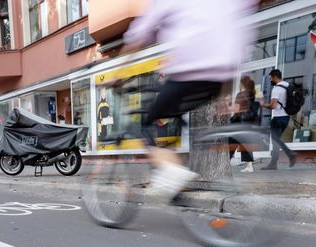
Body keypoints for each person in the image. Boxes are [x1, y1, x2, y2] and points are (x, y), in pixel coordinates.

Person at [123, 0, 254, 199]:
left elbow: (140, 33)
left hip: (187, 75)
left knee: (145, 123)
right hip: (217, 81)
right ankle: (177, 175)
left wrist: (119, 71)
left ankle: (173, 176)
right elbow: (238, 35)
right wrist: (224, 94)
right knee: (177, 116)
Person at [259, 69, 296, 170]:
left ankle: (290, 153)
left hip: (278, 118)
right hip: (286, 118)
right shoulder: (287, 86)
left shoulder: (276, 89)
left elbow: (273, 105)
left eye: (271, 78)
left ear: (275, 77)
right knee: (276, 140)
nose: (270, 80)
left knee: (275, 139)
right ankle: (273, 163)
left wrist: (263, 104)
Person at [229, 75, 258, 173]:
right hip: (248, 123)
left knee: (231, 143)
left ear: (242, 84)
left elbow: (236, 109)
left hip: (239, 122)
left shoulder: (240, 94)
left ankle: (225, 163)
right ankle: (249, 166)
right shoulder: (253, 93)